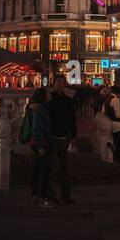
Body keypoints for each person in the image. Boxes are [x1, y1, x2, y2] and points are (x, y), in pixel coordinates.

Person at [23, 88, 56, 208]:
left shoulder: (39, 107)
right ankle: (42, 198)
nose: (50, 94)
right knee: (44, 172)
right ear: (43, 95)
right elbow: (37, 128)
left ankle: (35, 195)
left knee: (37, 170)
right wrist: (41, 146)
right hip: (41, 143)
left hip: (38, 143)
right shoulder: (39, 109)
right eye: (48, 93)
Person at [46, 75, 76, 203]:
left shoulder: (67, 100)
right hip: (52, 136)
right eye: (58, 82)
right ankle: (52, 195)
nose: (60, 84)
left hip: (64, 136)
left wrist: (73, 135)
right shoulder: (49, 99)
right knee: (52, 168)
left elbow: (71, 118)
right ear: (54, 84)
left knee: (65, 168)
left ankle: (66, 195)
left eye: (62, 82)